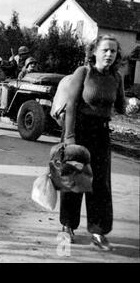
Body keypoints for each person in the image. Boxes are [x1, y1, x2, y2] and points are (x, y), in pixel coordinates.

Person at [59, 34, 129, 250]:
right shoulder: (84, 72)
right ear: (95, 52)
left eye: (113, 51)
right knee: (74, 181)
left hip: (101, 133)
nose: (109, 54)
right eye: (105, 50)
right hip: (78, 130)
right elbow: (71, 106)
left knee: (100, 184)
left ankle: (98, 232)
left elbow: (120, 106)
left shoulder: (117, 78)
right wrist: (69, 138)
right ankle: (68, 227)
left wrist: (127, 104)